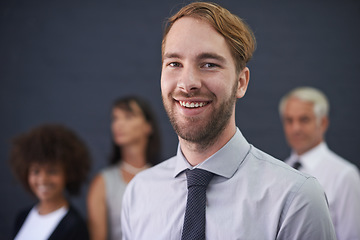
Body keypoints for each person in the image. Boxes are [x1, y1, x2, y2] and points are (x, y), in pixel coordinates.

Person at [121, 2, 336, 239]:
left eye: (209, 64)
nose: (187, 83)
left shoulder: (296, 198)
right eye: (174, 64)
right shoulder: (139, 194)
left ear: (241, 82)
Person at [279, 86, 360, 240]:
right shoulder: (280, 170)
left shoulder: (344, 175)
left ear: (322, 123)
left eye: (304, 119)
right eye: (289, 120)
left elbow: (352, 236)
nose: (295, 128)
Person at [87, 96, 161, 240]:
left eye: (128, 117)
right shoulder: (102, 182)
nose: (118, 124)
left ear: (148, 126)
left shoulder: (166, 178)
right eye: (115, 118)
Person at [9, 124, 91, 240]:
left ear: (68, 174)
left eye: (52, 171)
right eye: (36, 171)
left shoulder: (75, 226)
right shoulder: (22, 217)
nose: (43, 179)